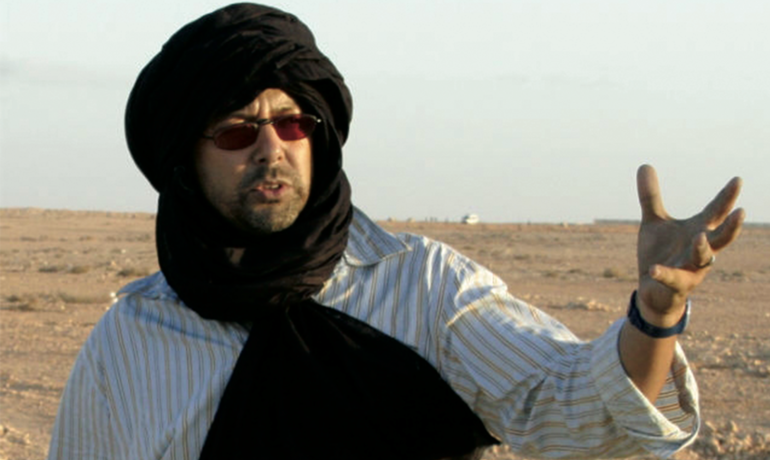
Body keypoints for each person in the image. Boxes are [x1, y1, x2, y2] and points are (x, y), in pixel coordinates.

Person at [47, 3, 745, 460]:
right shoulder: (130, 339)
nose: (270, 149)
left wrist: (655, 316)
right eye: (236, 131)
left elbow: (572, 409)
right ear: (184, 166)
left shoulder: (423, 287)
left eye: (292, 123)